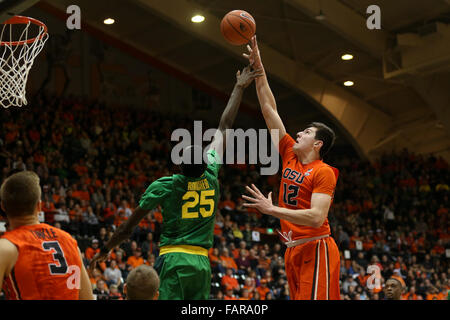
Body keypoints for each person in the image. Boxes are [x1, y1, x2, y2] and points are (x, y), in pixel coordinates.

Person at [90, 65, 263, 300]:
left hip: (174, 259)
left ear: (180, 165)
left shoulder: (167, 185)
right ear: (205, 162)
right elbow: (225, 125)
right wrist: (239, 87)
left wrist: (105, 249)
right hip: (202, 263)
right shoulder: (211, 173)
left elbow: (127, 228)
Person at [241, 36, 340, 300]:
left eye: (306, 131)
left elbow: (318, 217)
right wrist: (260, 70)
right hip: (292, 248)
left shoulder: (324, 171)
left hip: (316, 247)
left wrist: (272, 209)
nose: (298, 132)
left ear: (317, 144)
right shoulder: (289, 154)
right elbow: (268, 109)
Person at [0, 171, 93, 300]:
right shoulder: (70, 242)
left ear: (3, 206)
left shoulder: (5, 247)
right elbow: (87, 298)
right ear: (39, 205)